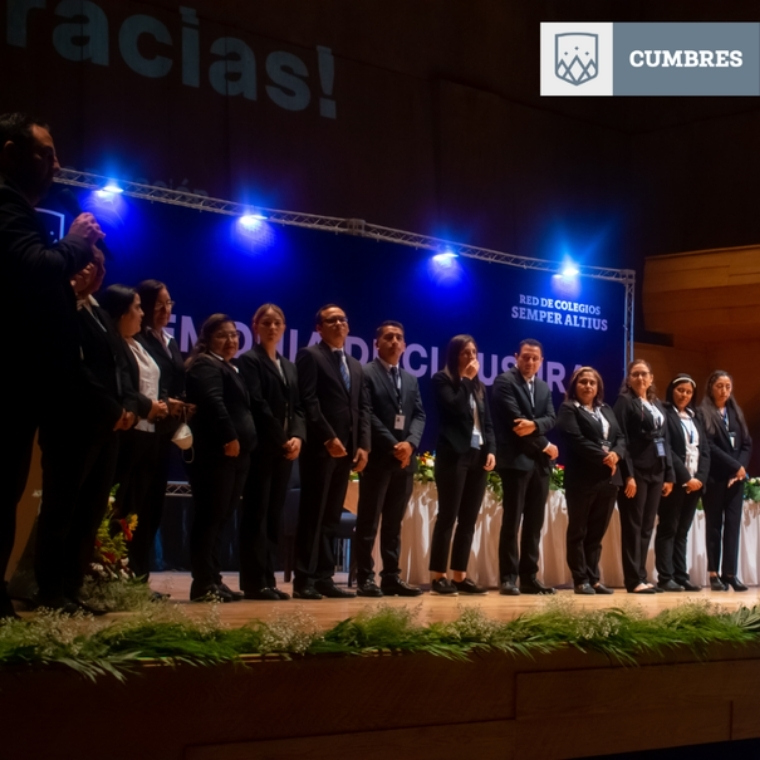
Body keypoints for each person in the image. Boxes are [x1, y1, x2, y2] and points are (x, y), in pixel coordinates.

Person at [1, 112, 103, 618]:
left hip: (39, 377)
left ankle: (51, 589)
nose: (56, 164)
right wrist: (78, 238)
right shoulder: (5, 206)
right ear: (9, 154)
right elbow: (34, 266)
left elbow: (32, 286)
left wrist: (74, 288)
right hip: (14, 375)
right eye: (44, 153)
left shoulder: (23, 210)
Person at [294, 304, 371, 599]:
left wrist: (363, 445)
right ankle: (305, 579)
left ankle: (325, 576)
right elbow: (309, 401)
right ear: (319, 327)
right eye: (331, 320)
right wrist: (328, 437)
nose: (339, 324)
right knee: (313, 513)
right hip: (321, 448)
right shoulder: (310, 356)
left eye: (343, 319)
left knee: (331, 516)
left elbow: (362, 408)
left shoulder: (354, 364)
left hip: (348, 451)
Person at [99, 285, 168, 581]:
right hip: (128, 433)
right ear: (121, 313)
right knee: (119, 506)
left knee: (139, 509)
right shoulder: (115, 343)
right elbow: (124, 388)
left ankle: (134, 575)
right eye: (138, 308)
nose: (143, 314)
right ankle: (110, 573)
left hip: (149, 434)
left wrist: (159, 405)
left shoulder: (139, 344)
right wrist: (147, 405)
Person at [185, 315, 256, 602]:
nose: (231, 341)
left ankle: (213, 578)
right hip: (215, 453)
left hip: (236, 457)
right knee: (209, 517)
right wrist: (229, 437)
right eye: (222, 336)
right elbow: (214, 403)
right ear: (207, 339)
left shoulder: (230, 366)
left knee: (221, 517)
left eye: (234, 335)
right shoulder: (205, 364)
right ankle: (202, 583)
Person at [237, 304, 305, 600]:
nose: (272, 328)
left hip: (286, 450)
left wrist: (298, 438)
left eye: (278, 323)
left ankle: (269, 579)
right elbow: (258, 405)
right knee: (257, 514)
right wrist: (282, 438)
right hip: (263, 448)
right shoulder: (249, 361)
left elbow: (298, 407)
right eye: (267, 323)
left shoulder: (288, 365)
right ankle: (254, 582)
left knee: (274, 515)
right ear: (255, 326)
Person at [355, 321, 426, 597]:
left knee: (394, 523)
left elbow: (419, 415)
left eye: (399, 337)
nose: (394, 342)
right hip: (379, 459)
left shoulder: (410, 379)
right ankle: (365, 578)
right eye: (388, 337)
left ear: (405, 345)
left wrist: (409, 443)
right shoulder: (366, 373)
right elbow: (367, 414)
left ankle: (391, 576)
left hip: (404, 461)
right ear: (378, 343)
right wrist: (393, 444)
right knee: (369, 521)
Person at [428, 335, 495, 595]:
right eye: (465, 353)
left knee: (468, 519)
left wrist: (491, 450)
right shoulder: (442, 380)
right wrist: (466, 379)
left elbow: (486, 423)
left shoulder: (480, 387)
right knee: (448, 516)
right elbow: (454, 407)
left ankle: (459, 574)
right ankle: (438, 576)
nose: (470, 357)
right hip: (453, 455)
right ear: (455, 355)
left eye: (474, 352)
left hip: (478, 455)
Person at [492, 338, 558, 595]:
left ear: (541, 361)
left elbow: (552, 417)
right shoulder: (504, 382)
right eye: (526, 357)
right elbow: (515, 424)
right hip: (515, 463)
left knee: (534, 523)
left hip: (539, 467)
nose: (530, 362)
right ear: (516, 357)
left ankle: (530, 577)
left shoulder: (543, 386)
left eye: (535, 358)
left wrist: (536, 426)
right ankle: (508, 577)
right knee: (512, 521)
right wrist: (545, 445)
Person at [134, 279, 188, 584]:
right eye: (159, 304)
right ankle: (127, 575)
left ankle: (140, 578)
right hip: (142, 430)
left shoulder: (169, 340)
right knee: (137, 504)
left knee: (154, 506)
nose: (166, 310)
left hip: (165, 432)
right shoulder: (138, 339)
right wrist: (164, 401)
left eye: (169, 304)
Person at [557, 367, 625, 595]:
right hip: (582, 478)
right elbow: (576, 439)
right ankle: (580, 579)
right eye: (583, 382)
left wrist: (617, 453)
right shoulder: (569, 408)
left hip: (608, 479)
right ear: (575, 385)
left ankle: (594, 578)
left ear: (598, 388)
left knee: (596, 533)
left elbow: (620, 437)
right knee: (579, 531)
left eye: (592, 383)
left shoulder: (605, 409)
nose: (587, 386)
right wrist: (604, 456)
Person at [614, 359, 674, 594]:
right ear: (629, 379)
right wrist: (628, 475)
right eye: (635, 374)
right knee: (633, 525)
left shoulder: (656, 404)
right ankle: (632, 579)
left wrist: (669, 474)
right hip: (636, 471)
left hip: (656, 471)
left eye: (644, 374)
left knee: (647, 525)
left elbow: (665, 441)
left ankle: (641, 575)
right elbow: (622, 440)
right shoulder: (624, 402)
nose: (640, 378)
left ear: (651, 378)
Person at [698, 371, 752, 592]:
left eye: (728, 386)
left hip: (735, 480)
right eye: (720, 386)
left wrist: (740, 469)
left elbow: (746, 444)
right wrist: (734, 466)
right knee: (714, 526)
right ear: (711, 387)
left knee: (732, 526)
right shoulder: (703, 412)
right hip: (715, 478)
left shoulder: (735, 413)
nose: (724, 391)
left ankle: (730, 573)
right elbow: (709, 446)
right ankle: (714, 573)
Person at [654, 374, 709, 592]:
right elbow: (666, 449)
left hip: (695, 483)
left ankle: (680, 574)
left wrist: (700, 479)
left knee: (682, 531)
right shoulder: (665, 414)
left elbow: (704, 451)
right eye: (680, 390)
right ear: (671, 390)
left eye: (688, 392)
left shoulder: (695, 418)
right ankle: (665, 577)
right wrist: (686, 477)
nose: (684, 395)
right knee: (668, 528)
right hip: (676, 481)